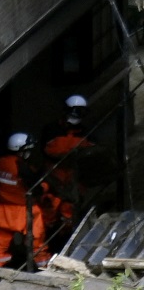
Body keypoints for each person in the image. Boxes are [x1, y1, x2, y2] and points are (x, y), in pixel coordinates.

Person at [0, 133, 50, 269]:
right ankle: (43, 268)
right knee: (37, 243)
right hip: (24, 211)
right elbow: (35, 188)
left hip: (1, 210)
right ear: (21, 150)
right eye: (27, 150)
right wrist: (45, 186)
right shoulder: (21, 167)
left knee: (0, 246)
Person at [40, 94, 94, 235]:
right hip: (54, 177)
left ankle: (66, 238)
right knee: (49, 208)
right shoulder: (51, 129)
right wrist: (78, 147)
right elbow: (52, 150)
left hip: (73, 178)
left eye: (81, 112)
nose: (77, 116)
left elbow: (92, 151)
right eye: (76, 111)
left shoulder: (86, 132)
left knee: (69, 212)